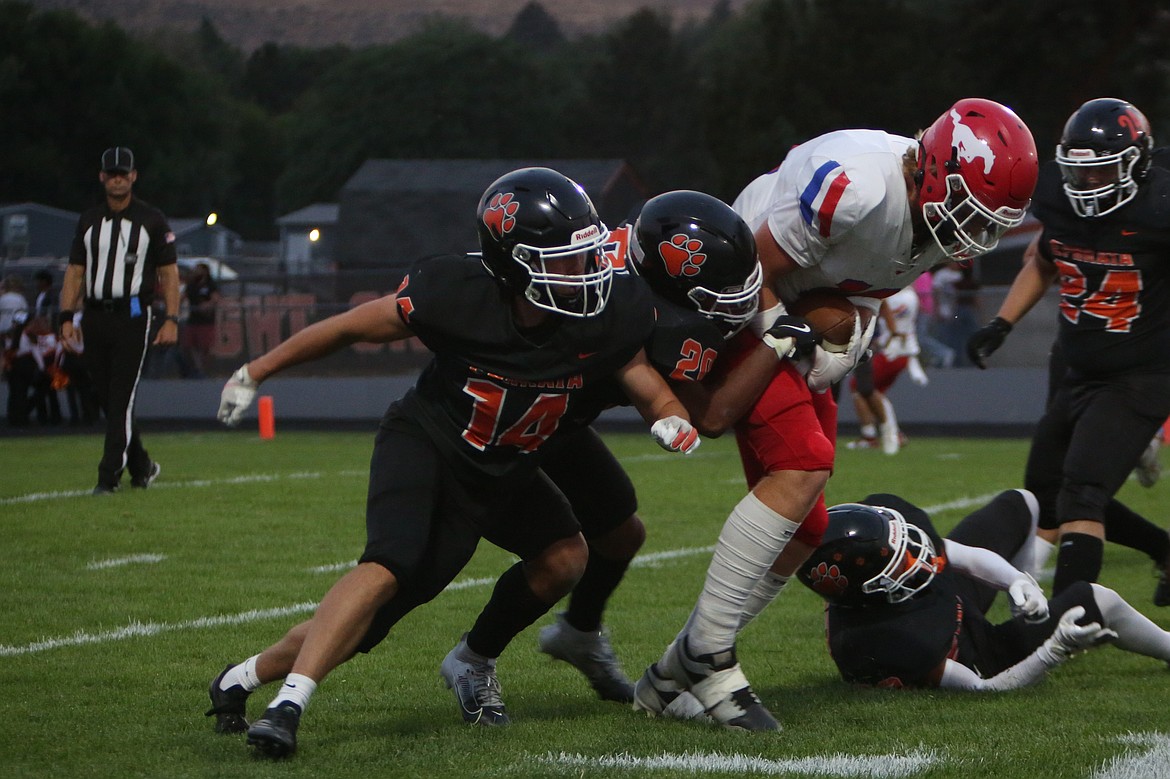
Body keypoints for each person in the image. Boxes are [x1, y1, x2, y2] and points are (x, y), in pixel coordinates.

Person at [203, 167, 702, 759]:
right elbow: (348, 327)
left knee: (565, 556)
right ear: (514, 264)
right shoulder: (458, 294)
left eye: (585, 254)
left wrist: (668, 415)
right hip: (428, 445)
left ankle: (247, 677)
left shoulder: (603, 313)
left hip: (502, 467)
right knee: (387, 575)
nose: (584, 270)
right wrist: (255, 371)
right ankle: (287, 704)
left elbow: (640, 376)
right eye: (564, 258)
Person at [635, 98, 1039, 731]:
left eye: (991, 220)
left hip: (794, 313)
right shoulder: (852, 186)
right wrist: (792, 336)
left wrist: (848, 342)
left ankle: (671, 673)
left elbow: (866, 290)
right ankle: (708, 654)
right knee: (802, 463)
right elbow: (751, 272)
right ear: (933, 168)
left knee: (807, 521)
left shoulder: (931, 223)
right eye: (972, 208)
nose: (976, 232)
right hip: (737, 299)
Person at [459, 191, 779, 709]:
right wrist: (778, 344)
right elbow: (711, 415)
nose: (736, 301)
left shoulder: (625, 268)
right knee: (555, 559)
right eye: (716, 290)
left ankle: (579, 634)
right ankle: (474, 658)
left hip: (558, 416)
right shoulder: (623, 305)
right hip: (504, 422)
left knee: (620, 534)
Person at [966, 98, 1170, 599]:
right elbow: (1042, 260)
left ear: (1136, 164)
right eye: (1081, 173)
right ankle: (1164, 549)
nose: (1090, 185)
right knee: (1048, 494)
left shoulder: (1159, 208)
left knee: (1082, 492)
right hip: (1076, 363)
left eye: (1102, 173)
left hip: (1140, 372)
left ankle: (1069, 618)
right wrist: (1002, 321)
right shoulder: (1059, 197)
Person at [795, 490, 1170, 690]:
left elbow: (957, 555)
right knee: (1097, 598)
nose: (918, 554)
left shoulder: (884, 576)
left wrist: (1018, 582)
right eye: (904, 562)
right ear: (873, 593)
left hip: (937, 604)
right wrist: (1054, 650)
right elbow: (985, 689)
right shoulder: (896, 645)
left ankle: (1027, 608)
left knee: (1021, 502)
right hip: (978, 654)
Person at [59, 146, 179, 493]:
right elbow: (76, 272)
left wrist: (171, 318)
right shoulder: (89, 220)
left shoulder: (152, 220)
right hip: (95, 315)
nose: (116, 179)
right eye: (111, 173)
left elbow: (169, 274)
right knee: (108, 398)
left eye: (122, 173)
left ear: (133, 177)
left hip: (133, 315)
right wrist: (66, 316)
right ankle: (141, 465)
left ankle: (107, 476)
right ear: (101, 177)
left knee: (122, 396)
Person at [845, 286, 928, 454]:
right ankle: (879, 434)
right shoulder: (911, 295)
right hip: (902, 349)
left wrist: (891, 334)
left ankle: (884, 434)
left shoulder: (894, 294)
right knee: (871, 390)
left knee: (862, 388)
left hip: (891, 349)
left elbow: (885, 308)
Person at [180, 261, 219, 377]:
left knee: (205, 348)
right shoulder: (191, 284)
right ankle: (195, 369)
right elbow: (183, 297)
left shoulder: (210, 284)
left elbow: (216, 298)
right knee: (188, 346)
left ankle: (204, 371)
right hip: (193, 320)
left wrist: (207, 305)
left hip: (206, 321)